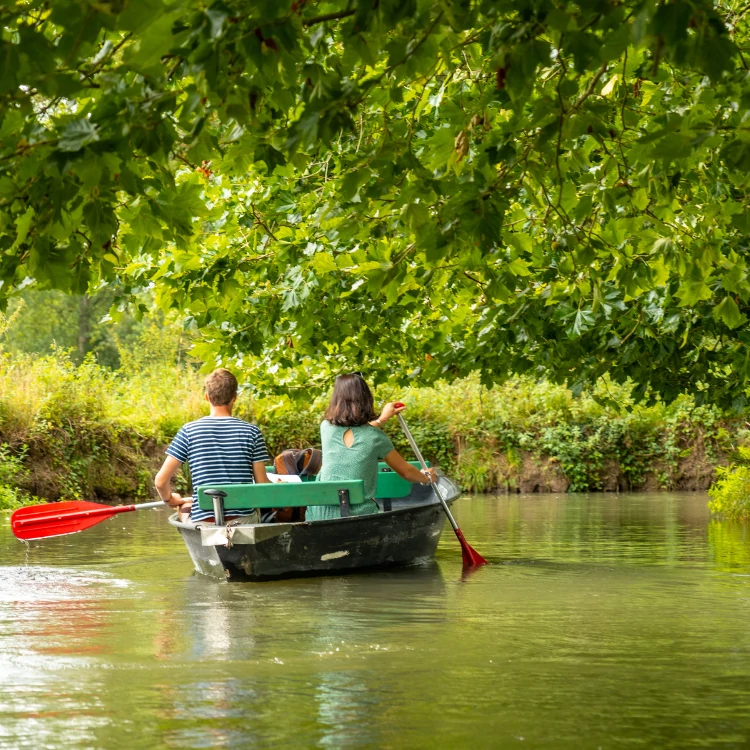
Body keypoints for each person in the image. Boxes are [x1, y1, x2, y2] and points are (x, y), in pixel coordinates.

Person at [307, 373, 437, 521]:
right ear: (366, 399)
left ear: (336, 400)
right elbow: (406, 472)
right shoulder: (376, 438)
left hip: (319, 515)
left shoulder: (326, 428)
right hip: (359, 516)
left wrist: (382, 419)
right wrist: (426, 477)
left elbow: (358, 434)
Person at [154, 368, 271, 523]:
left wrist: (170, 500)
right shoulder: (252, 432)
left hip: (205, 522)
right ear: (234, 397)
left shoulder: (188, 431)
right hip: (243, 521)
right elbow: (262, 485)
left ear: (207, 397)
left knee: (185, 506)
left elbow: (160, 482)